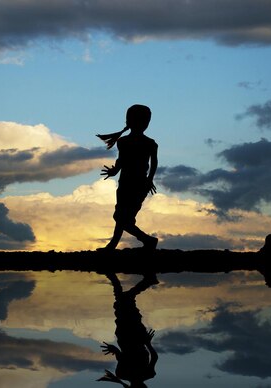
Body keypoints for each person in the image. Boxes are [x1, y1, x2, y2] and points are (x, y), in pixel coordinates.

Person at [97, 104, 158, 251]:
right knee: (122, 216)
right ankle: (116, 245)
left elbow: (154, 163)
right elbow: (121, 160)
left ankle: (148, 240)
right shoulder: (123, 142)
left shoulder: (149, 143)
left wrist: (149, 180)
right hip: (126, 183)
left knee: (122, 217)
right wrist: (115, 171)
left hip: (138, 184)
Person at [98, 273, 159, 387]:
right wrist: (148, 343)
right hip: (134, 338)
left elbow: (122, 358)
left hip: (126, 337)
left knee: (121, 302)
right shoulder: (126, 374)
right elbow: (153, 357)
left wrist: (114, 350)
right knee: (123, 301)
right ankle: (114, 277)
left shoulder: (124, 374)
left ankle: (146, 281)